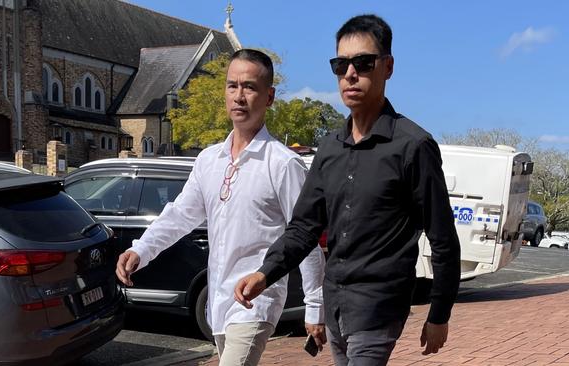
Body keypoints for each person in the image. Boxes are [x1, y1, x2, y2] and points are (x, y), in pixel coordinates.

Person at [234, 14, 461, 365]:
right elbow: (304, 227)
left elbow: (443, 236)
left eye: (363, 63)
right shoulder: (329, 148)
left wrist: (439, 313)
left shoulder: (413, 146)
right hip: (336, 302)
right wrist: (266, 273)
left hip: (378, 306)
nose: (350, 74)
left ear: (387, 67)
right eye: (341, 65)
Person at [116, 49, 326, 366]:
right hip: (219, 301)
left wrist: (315, 306)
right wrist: (142, 249)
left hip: (258, 301)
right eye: (232, 86)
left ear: (269, 97)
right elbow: (180, 215)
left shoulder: (283, 164)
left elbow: (306, 238)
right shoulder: (209, 160)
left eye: (250, 87)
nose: (239, 96)